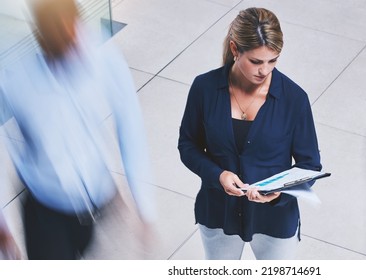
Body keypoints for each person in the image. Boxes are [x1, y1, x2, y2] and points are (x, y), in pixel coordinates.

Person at [0, 0, 155, 259]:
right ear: (40, 35)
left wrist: (143, 203)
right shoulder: (17, 78)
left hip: (97, 202)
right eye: (58, 36)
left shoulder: (103, 57)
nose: (71, 43)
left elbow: (130, 125)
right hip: (46, 211)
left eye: (73, 30)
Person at [178, 7, 322, 260]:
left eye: (273, 60)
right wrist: (218, 174)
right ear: (235, 50)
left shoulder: (294, 99)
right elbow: (188, 145)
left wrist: (279, 193)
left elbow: (310, 165)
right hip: (218, 213)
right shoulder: (205, 88)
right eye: (256, 61)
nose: (265, 71)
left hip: (275, 220)